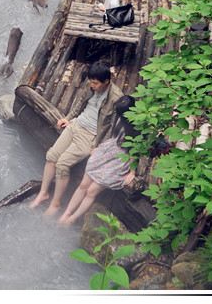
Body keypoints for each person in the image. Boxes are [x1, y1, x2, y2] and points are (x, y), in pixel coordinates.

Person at [30, 61, 123, 216]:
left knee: (62, 164)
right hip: (77, 125)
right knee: (51, 156)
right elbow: (80, 102)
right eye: (91, 82)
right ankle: (43, 193)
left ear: (106, 81)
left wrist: (99, 145)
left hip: (91, 135)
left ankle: (55, 203)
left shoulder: (116, 98)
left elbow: (113, 126)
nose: (92, 86)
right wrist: (69, 118)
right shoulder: (91, 86)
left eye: (95, 83)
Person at [57, 95, 138, 226]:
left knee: (91, 191)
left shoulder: (137, 127)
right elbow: (112, 135)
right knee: (83, 185)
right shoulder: (119, 116)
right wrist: (99, 147)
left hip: (121, 158)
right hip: (109, 149)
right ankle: (66, 213)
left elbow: (136, 151)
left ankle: (72, 219)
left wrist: (132, 172)